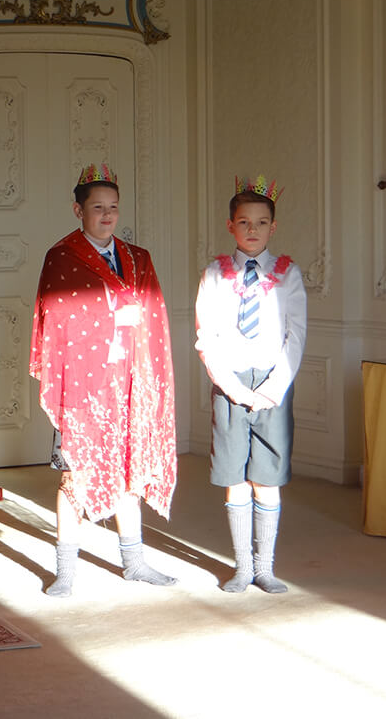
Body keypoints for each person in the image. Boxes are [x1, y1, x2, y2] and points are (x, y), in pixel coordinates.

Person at [30, 164, 178, 597]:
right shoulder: (62, 257)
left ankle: (134, 562)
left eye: (113, 207)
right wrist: (111, 317)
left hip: (131, 379)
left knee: (130, 469)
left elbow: (154, 315)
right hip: (84, 386)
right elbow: (55, 320)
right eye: (98, 208)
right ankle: (66, 571)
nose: (107, 216)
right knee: (75, 477)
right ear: (78, 210)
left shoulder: (138, 258)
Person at [194, 176, 306, 594]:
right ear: (231, 226)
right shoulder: (215, 275)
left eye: (261, 222)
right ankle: (242, 566)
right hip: (231, 386)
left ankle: (266, 567)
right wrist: (235, 390)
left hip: (273, 385)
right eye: (244, 222)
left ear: (273, 227)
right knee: (234, 474)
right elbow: (207, 337)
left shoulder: (287, 275)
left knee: (267, 477)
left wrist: (273, 389)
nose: (253, 230)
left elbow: (296, 335)